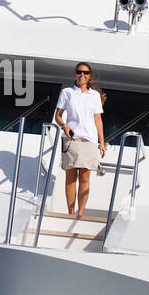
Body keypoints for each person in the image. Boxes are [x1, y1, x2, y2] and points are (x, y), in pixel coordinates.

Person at [54, 63, 106, 218]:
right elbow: (58, 115)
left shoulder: (95, 95)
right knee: (70, 177)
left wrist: (101, 142)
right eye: (79, 72)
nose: (82, 74)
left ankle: (80, 214)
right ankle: (70, 213)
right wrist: (64, 126)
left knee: (85, 176)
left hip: (89, 139)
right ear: (75, 74)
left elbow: (98, 120)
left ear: (89, 76)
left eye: (85, 72)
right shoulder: (67, 92)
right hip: (71, 138)